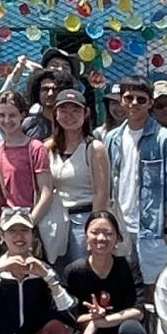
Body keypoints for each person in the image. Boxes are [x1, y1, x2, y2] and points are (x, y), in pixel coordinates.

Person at [103, 74, 167, 284]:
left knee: (155, 284)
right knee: (122, 283)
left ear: (150, 103)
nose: (134, 103)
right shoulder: (111, 138)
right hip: (119, 224)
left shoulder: (166, 140)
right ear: (121, 100)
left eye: (141, 99)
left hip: (152, 227)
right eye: (129, 98)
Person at [41, 87, 109, 270]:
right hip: (55, 220)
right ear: (55, 114)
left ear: (86, 113)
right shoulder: (48, 148)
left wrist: (95, 229)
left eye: (75, 110)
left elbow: (101, 193)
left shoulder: (94, 148)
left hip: (84, 220)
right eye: (63, 110)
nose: (69, 116)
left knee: (81, 272)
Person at [0, 89, 51, 240]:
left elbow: (46, 193)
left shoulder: (35, 148)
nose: (7, 120)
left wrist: (28, 225)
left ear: (22, 115)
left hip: (27, 221)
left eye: (12, 115)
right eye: (2, 115)